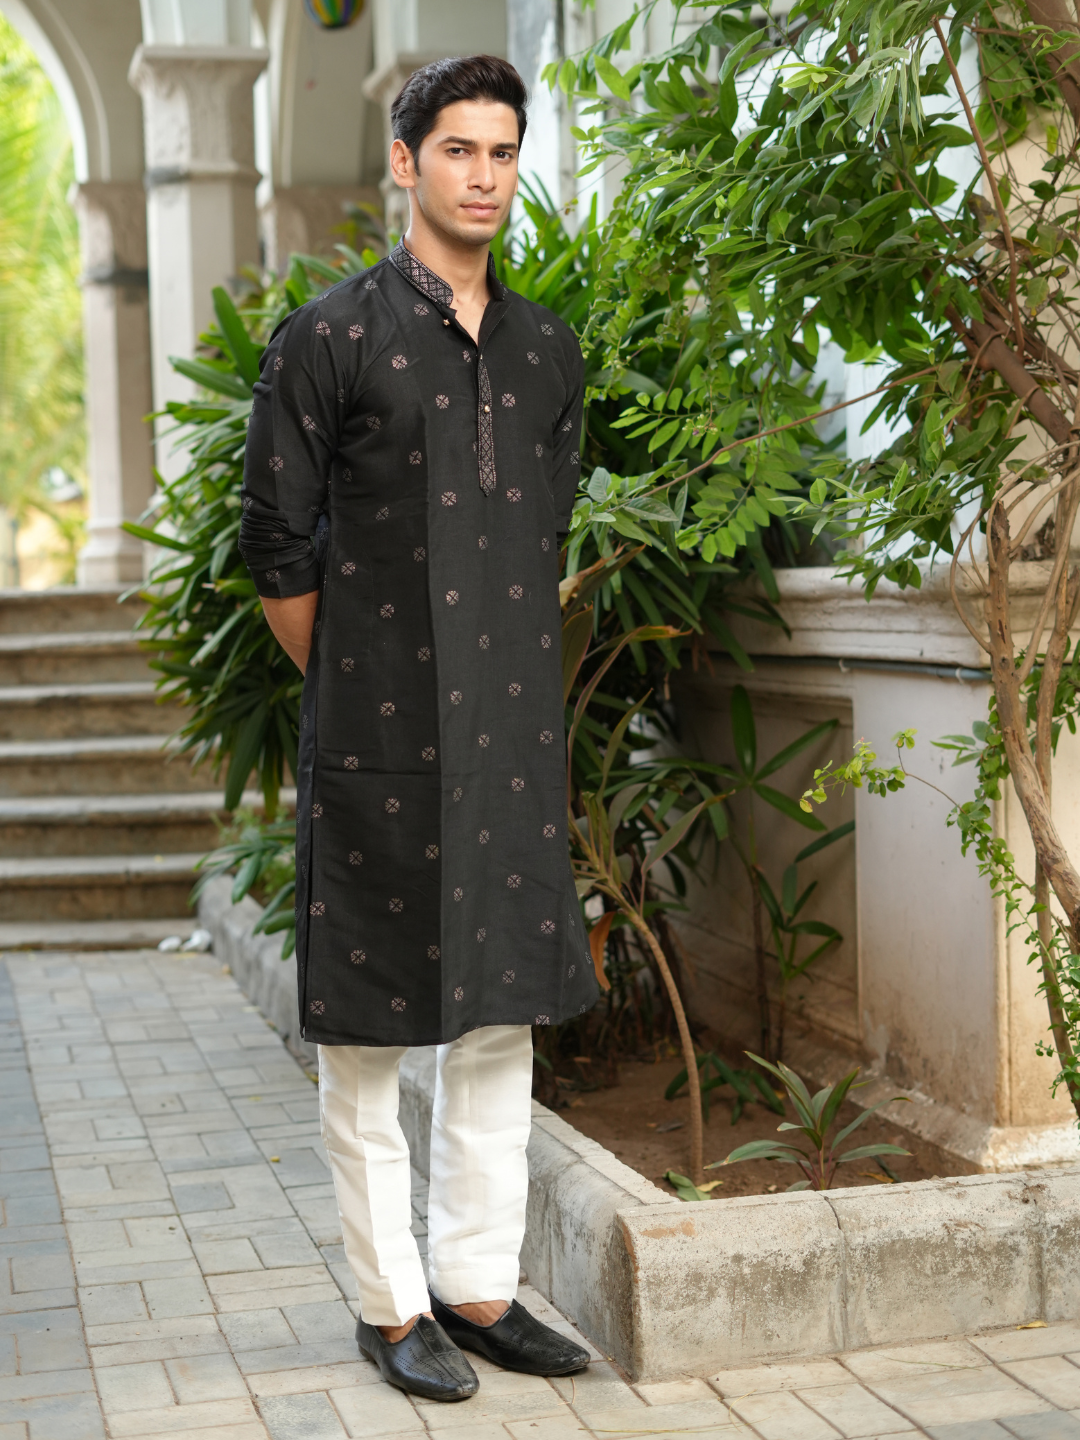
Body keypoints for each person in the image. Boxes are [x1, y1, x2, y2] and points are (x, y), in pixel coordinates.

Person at [238, 54, 598, 1402]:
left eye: (502, 151)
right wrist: (361, 679)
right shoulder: (329, 339)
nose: (483, 176)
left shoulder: (547, 350)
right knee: (370, 1038)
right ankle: (391, 1306)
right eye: (457, 149)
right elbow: (276, 544)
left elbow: (544, 528)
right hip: (376, 743)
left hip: (512, 744)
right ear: (406, 163)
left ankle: (480, 1286)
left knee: (500, 1021)